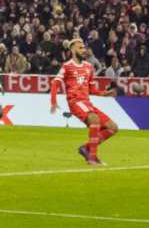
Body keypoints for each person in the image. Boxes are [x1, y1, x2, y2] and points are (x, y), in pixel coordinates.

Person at [50, 38, 118, 166]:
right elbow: (55, 83)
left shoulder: (89, 67)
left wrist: (104, 93)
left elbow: (92, 88)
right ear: (72, 49)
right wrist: (53, 101)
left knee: (112, 128)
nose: (84, 50)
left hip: (87, 103)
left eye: (84, 47)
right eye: (80, 48)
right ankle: (92, 157)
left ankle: (86, 148)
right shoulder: (67, 66)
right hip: (75, 101)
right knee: (94, 119)